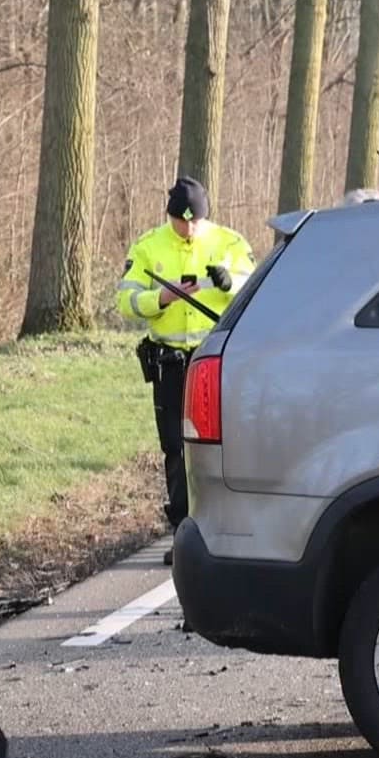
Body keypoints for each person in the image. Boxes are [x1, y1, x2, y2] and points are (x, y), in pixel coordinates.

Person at [115, 177, 257, 562]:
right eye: (181, 221)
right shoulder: (148, 246)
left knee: (224, 445)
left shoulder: (230, 243)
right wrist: (158, 298)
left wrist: (231, 284)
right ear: (170, 215)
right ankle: (183, 533)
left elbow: (258, 289)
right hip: (171, 362)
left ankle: (230, 529)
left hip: (217, 360)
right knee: (176, 448)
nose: (189, 228)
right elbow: (125, 301)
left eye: (195, 221)